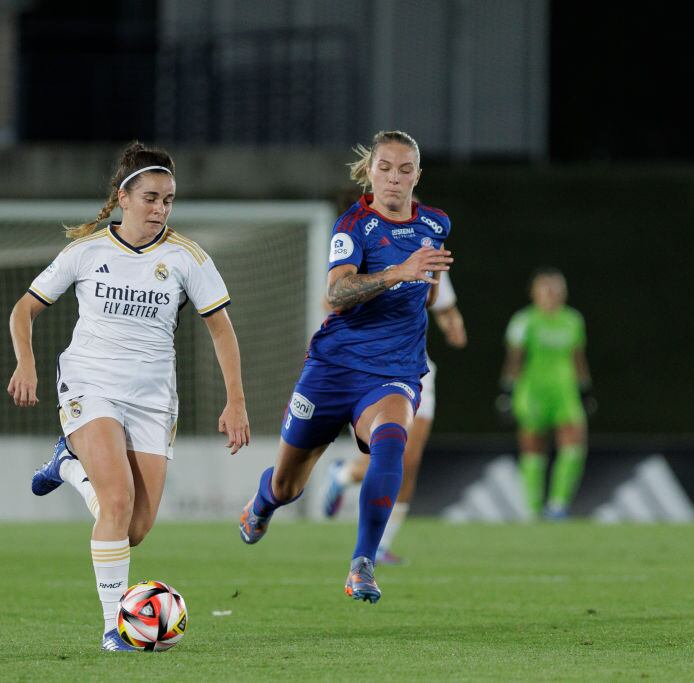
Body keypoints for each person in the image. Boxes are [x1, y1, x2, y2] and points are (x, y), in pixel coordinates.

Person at [7, 142, 250, 651]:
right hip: (90, 384)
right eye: (151, 198)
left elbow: (222, 331)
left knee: (133, 528)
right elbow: (23, 310)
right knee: (116, 502)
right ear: (124, 197)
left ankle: (67, 467)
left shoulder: (187, 257)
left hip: (153, 398)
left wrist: (236, 402)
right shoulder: (87, 251)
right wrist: (25, 363)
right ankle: (113, 627)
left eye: (169, 200)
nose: (161, 209)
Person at [237, 130, 454, 604]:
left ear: (418, 175)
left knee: (392, 442)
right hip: (333, 369)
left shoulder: (436, 225)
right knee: (287, 484)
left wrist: (425, 289)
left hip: (394, 370)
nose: (394, 178)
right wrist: (399, 272)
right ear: (370, 172)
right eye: (385, 168)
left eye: (404, 169)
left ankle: (363, 563)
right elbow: (336, 294)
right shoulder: (353, 226)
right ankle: (262, 502)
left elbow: (430, 287)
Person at [322, 269, 467, 565]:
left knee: (409, 461)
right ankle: (344, 474)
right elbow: (332, 301)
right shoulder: (365, 247)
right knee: (391, 457)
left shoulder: (428, 250)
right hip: (371, 372)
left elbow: (444, 306)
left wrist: (453, 324)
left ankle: (379, 544)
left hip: (418, 371)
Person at [499, 267, 591, 520]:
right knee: (533, 449)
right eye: (545, 288)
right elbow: (515, 359)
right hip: (533, 392)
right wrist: (507, 391)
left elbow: (578, 358)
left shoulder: (573, 320)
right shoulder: (524, 321)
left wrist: (585, 389)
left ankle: (559, 506)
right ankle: (531, 509)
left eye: (556, 288)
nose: (551, 293)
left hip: (565, 390)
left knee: (574, 446)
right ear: (534, 293)